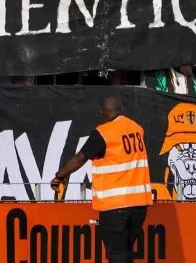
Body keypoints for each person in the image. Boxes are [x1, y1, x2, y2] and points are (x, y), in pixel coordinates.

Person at [51, 95, 152, 261]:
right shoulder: (137, 129)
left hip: (115, 206)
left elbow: (80, 158)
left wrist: (59, 176)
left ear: (102, 112)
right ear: (121, 109)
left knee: (117, 254)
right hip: (139, 205)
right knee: (125, 252)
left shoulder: (103, 133)